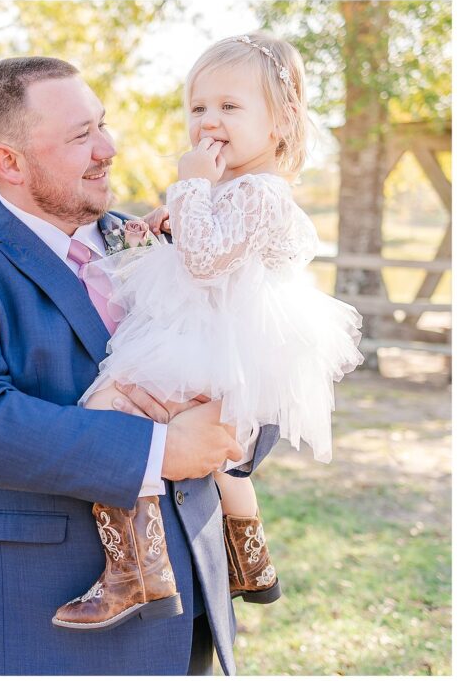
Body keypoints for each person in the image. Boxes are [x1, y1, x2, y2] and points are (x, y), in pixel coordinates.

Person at [0, 57, 279, 675]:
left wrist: (235, 433)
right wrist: (160, 450)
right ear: (9, 162)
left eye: (102, 125)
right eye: (80, 136)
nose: (109, 148)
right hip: (46, 627)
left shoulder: (165, 237)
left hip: (192, 618)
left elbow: (249, 346)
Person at [53, 32, 363, 631]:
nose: (208, 121)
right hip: (213, 335)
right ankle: (251, 561)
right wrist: (174, 218)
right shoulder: (238, 190)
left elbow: (204, 262)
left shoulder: (260, 194)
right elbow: (201, 252)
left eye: (229, 107)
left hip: (215, 342)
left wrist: (189, 185)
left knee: (107, 411)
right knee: (221, 456)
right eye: (198, 108)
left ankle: (135, 570)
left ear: (281, 122)